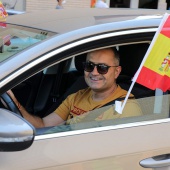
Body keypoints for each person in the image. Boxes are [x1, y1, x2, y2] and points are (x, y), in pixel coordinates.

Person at [7, 47, 142, 128]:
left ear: (117, 72)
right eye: (89, 66)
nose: (94, 72)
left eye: (102, 68)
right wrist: (15, 103)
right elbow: (43, 125)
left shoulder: (127, 108)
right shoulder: (77, 96)